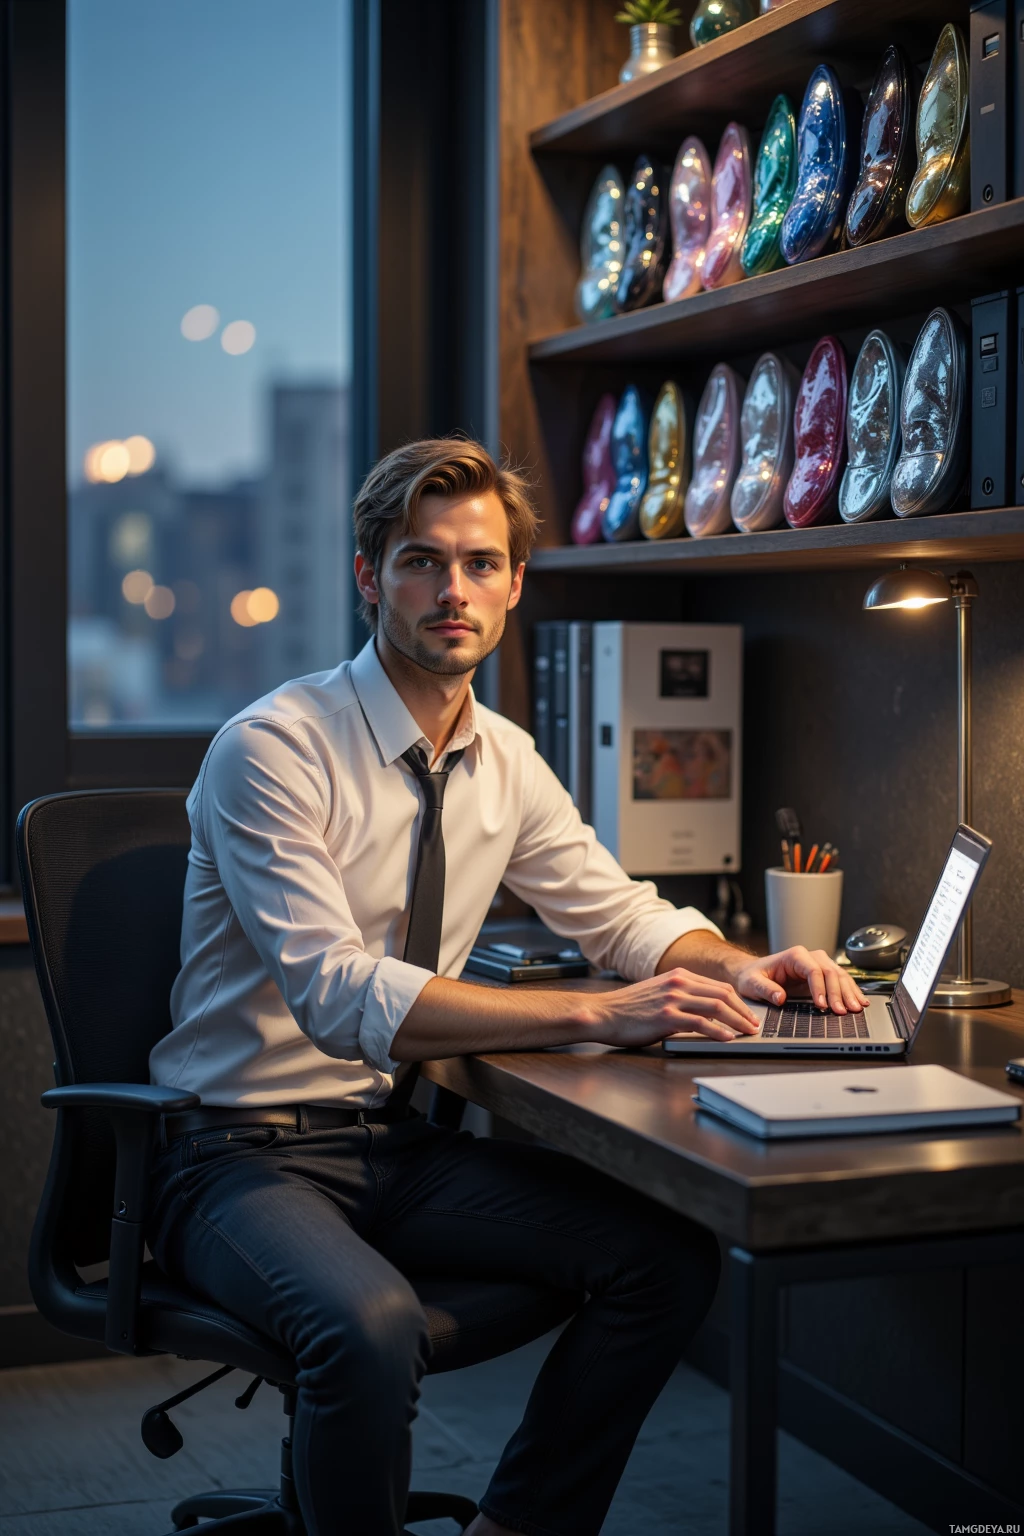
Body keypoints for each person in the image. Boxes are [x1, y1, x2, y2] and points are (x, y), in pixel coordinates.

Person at [148, 438, 865, 1536]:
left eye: (481, 565)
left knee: (664, 1256)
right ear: (365, 577)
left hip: (391, 1145)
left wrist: (742, 966)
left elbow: (616, 913)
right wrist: (599, 1012)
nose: (454, 591)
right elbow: (338, 994)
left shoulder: (505, 758)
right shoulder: (275, 749)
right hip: (234, 1153)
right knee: (368, 1327)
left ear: (516, 585)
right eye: (422, 562)